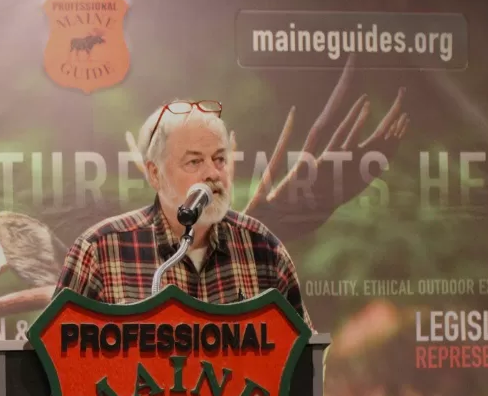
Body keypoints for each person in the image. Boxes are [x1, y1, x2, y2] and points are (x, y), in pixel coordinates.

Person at [53, 99, 313, 328]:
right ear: (155, 174)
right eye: (194, 161)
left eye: (219, 159)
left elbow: (305, 361)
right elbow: (50, 361)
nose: (213, 173)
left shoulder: (264, 250)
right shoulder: (100, 250)